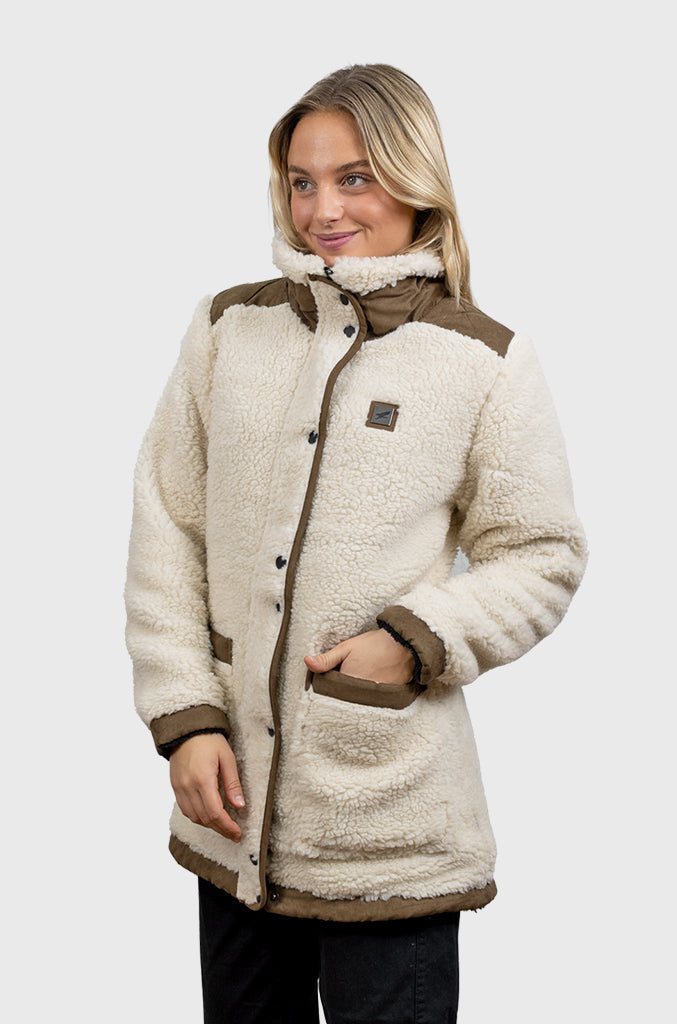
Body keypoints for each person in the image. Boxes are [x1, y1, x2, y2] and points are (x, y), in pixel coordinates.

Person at [125, 63, 587, 1024]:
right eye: (302, 181)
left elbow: (540, 553)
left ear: (416, 181)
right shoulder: (228, 328)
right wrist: (186, 717)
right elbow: (169, 523)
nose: (322, 210)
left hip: (389, 822)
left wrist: (413, 640)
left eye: (354, 178)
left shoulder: (482, 359)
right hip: (231, 815)